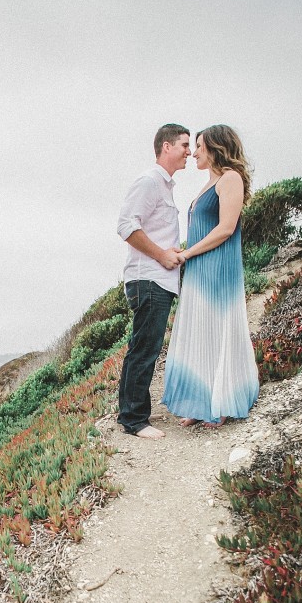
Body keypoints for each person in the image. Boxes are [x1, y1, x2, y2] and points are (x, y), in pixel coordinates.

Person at [161, 125, 259, 428]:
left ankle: (222, 401)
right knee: (201, 331)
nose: (195, 152)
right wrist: (186, 250)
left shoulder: (230, 178)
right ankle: (201, 402)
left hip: (217, 267)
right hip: (201, 267)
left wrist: (188, 253)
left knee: (218, 330)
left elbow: (226, 228)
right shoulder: (209, 183)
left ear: (217, 148)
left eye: (200, 146)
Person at [116, 123, 191, 439]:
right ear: (167, 146)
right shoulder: (149, 182)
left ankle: (133, 413)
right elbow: (125, 226)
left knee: (145, 346)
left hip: (159, 279)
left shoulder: (165, 186)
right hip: (148, 279)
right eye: (185, 144)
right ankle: (133, 420)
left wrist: (168, 252)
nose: (190, 150)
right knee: (144, 348)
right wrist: (161, 255)